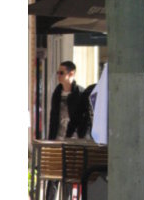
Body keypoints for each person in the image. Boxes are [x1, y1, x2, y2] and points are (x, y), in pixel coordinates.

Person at [46, 61, 84, 200]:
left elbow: (82, 119)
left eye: (61, 72)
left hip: (73, 141)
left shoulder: (79, 93)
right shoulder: (57, 93)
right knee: (53, 175)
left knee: (69, 177)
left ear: (71, 73)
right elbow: (53, 118)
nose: (58, 75)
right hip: (57, 140)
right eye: (58, 72)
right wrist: (50, 139)